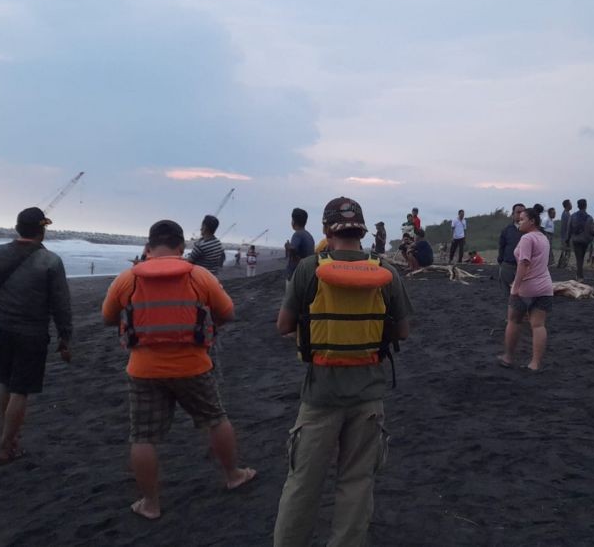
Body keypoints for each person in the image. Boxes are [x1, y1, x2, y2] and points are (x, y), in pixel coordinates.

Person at [273, 196, 412, 547]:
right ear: (362, 231)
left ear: (326, 230)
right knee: (356, 482)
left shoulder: (308, 269)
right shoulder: (387, 272)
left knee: (303, 483)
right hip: (368, 396)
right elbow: (403, 331)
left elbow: (283, 325)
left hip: (320, 395)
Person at [101, 220, 255, 520]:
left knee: (143, 436)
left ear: (147, 248)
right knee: (215, 418)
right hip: (194, 365)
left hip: (144, 370)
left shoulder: (127, 279)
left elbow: (108, 318)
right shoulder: (199, 276)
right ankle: (233, 475)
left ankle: (150, 503)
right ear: (182, 248)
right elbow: (228, 313)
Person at [0, 207, 72, 465]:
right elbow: (61, 303)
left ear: (17, 228)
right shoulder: (50, 261)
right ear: (42, 230)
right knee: (20, 389)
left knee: (5, 381)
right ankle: (5, 447)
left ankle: (9, 437)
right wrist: (65, 336)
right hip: (31, 332)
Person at [499, 204, 553, 372]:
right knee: (538, 325)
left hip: (526, 287)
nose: (519, 222)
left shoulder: (527, 239)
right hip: (545, 288)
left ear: (532, 221)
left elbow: (523, 263)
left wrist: (516, 285)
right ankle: (535, 363)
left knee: (514, 321)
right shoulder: (543, 237)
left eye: (522, 220)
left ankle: (508, 357)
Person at [497, 203, 526, 293]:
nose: (521, 214)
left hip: (525, 268)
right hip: (508, 267)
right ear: (512, 214)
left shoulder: (530, 231)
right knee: (508, 296)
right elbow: (501, 247)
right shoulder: (506, 230)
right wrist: (502, 263)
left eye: (523, 212)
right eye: (518, 212)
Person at [285, 208, 316, 284]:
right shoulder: (309, 236)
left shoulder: (297, 234)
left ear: (293, 222)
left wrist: (288, 247)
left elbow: (293, 249)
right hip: (307, 273)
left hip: (297, 275)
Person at [568, 199, 594, 281]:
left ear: (578, 206)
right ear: (586, 206)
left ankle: (579, 276)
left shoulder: (573, 216)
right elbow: (592, 231)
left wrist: (567, 239)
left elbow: (569, 228)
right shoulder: (589, 218)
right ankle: (580, 275)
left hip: (576, 240)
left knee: (578, 258)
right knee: (581, 257)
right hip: (585, 241)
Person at [556, 199, 572, 269]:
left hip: (565, 236)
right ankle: (563, 265)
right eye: (570, 204)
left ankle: (561, 265)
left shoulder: (566, 213)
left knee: (565, 251)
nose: (571, 205)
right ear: (567, 205)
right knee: (566, 251)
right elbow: (568, 226)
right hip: (566, 236)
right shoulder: (566, 214)